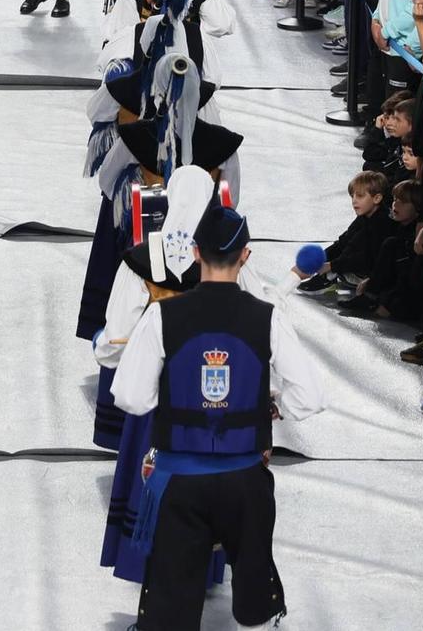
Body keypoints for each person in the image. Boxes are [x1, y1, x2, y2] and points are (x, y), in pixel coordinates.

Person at [111, 206, 326, 631]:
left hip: (178, 483)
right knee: (253, 605)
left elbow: (131, 398)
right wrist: (271, 403)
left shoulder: (162, 316)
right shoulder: (267, 316)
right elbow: (311, 398)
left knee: (169, 610)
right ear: (245, 256)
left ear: (194, 253)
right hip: (245, 478)